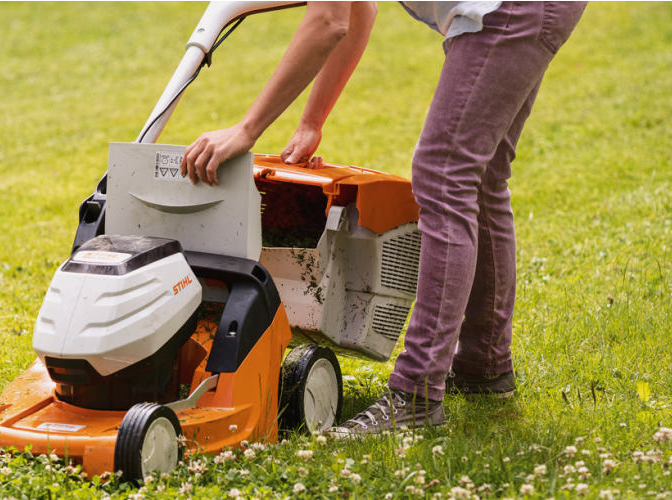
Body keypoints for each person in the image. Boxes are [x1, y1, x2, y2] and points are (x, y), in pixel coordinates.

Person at [181, 1, 586, 436]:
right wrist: (311, 121)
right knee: (480, 178)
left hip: (510, 10)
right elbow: (358, 10)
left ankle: (417, 394)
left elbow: (328, 20)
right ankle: (483, 368)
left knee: (444, 173)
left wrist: (246, 130)